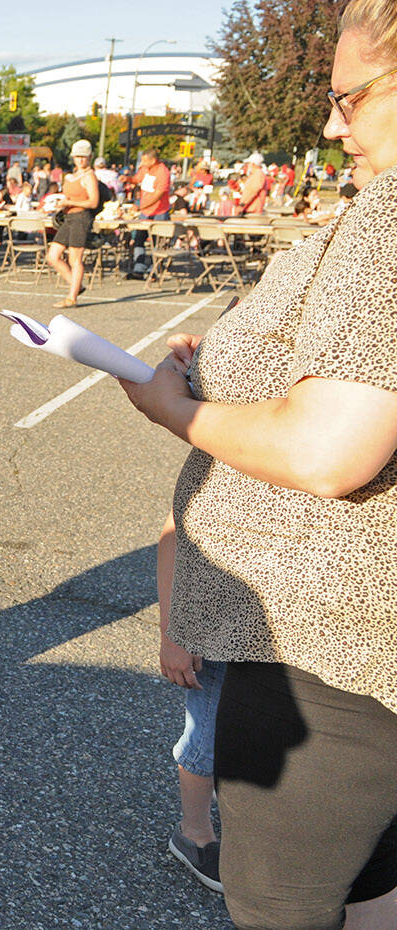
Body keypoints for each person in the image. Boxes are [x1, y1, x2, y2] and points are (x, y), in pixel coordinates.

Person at [118, 5, 397, 926]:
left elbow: (330, 449)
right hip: (352, 651)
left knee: (280, 903)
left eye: (349, 98)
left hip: (329, 651)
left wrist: (179, 407)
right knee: (369, 887)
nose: (330, 124)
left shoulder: (392, 214)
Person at [156, 511, 225, 893]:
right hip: (223, 627)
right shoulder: (231, 458)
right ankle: (194, 834)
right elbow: (175, 533)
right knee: (208, 733)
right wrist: (173, 634)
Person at [44, 138, 100, 308]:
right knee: (52, 256)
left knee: (75, 259)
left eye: (84, 156)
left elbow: (93, 202)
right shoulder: (71, 176)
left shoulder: (89, 176)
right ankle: (76, 286)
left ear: (89, 157)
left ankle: (72, 297)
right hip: (68, 217)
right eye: (77, 156)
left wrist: (69, 203)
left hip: (81, 218)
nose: (81, 159)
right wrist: (60, 202)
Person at [128, 149, 171, 277]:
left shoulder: (163, 172)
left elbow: (158, 194)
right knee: (139, 238)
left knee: (156, 242)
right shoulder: (145, 169)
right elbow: (137, 179)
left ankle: (154, 270)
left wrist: (140, 206)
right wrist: (128, 179)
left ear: (153, 160)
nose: (142, 163)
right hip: (145, 212)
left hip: (159, 211)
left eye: (145, 160)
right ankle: (139, 268)